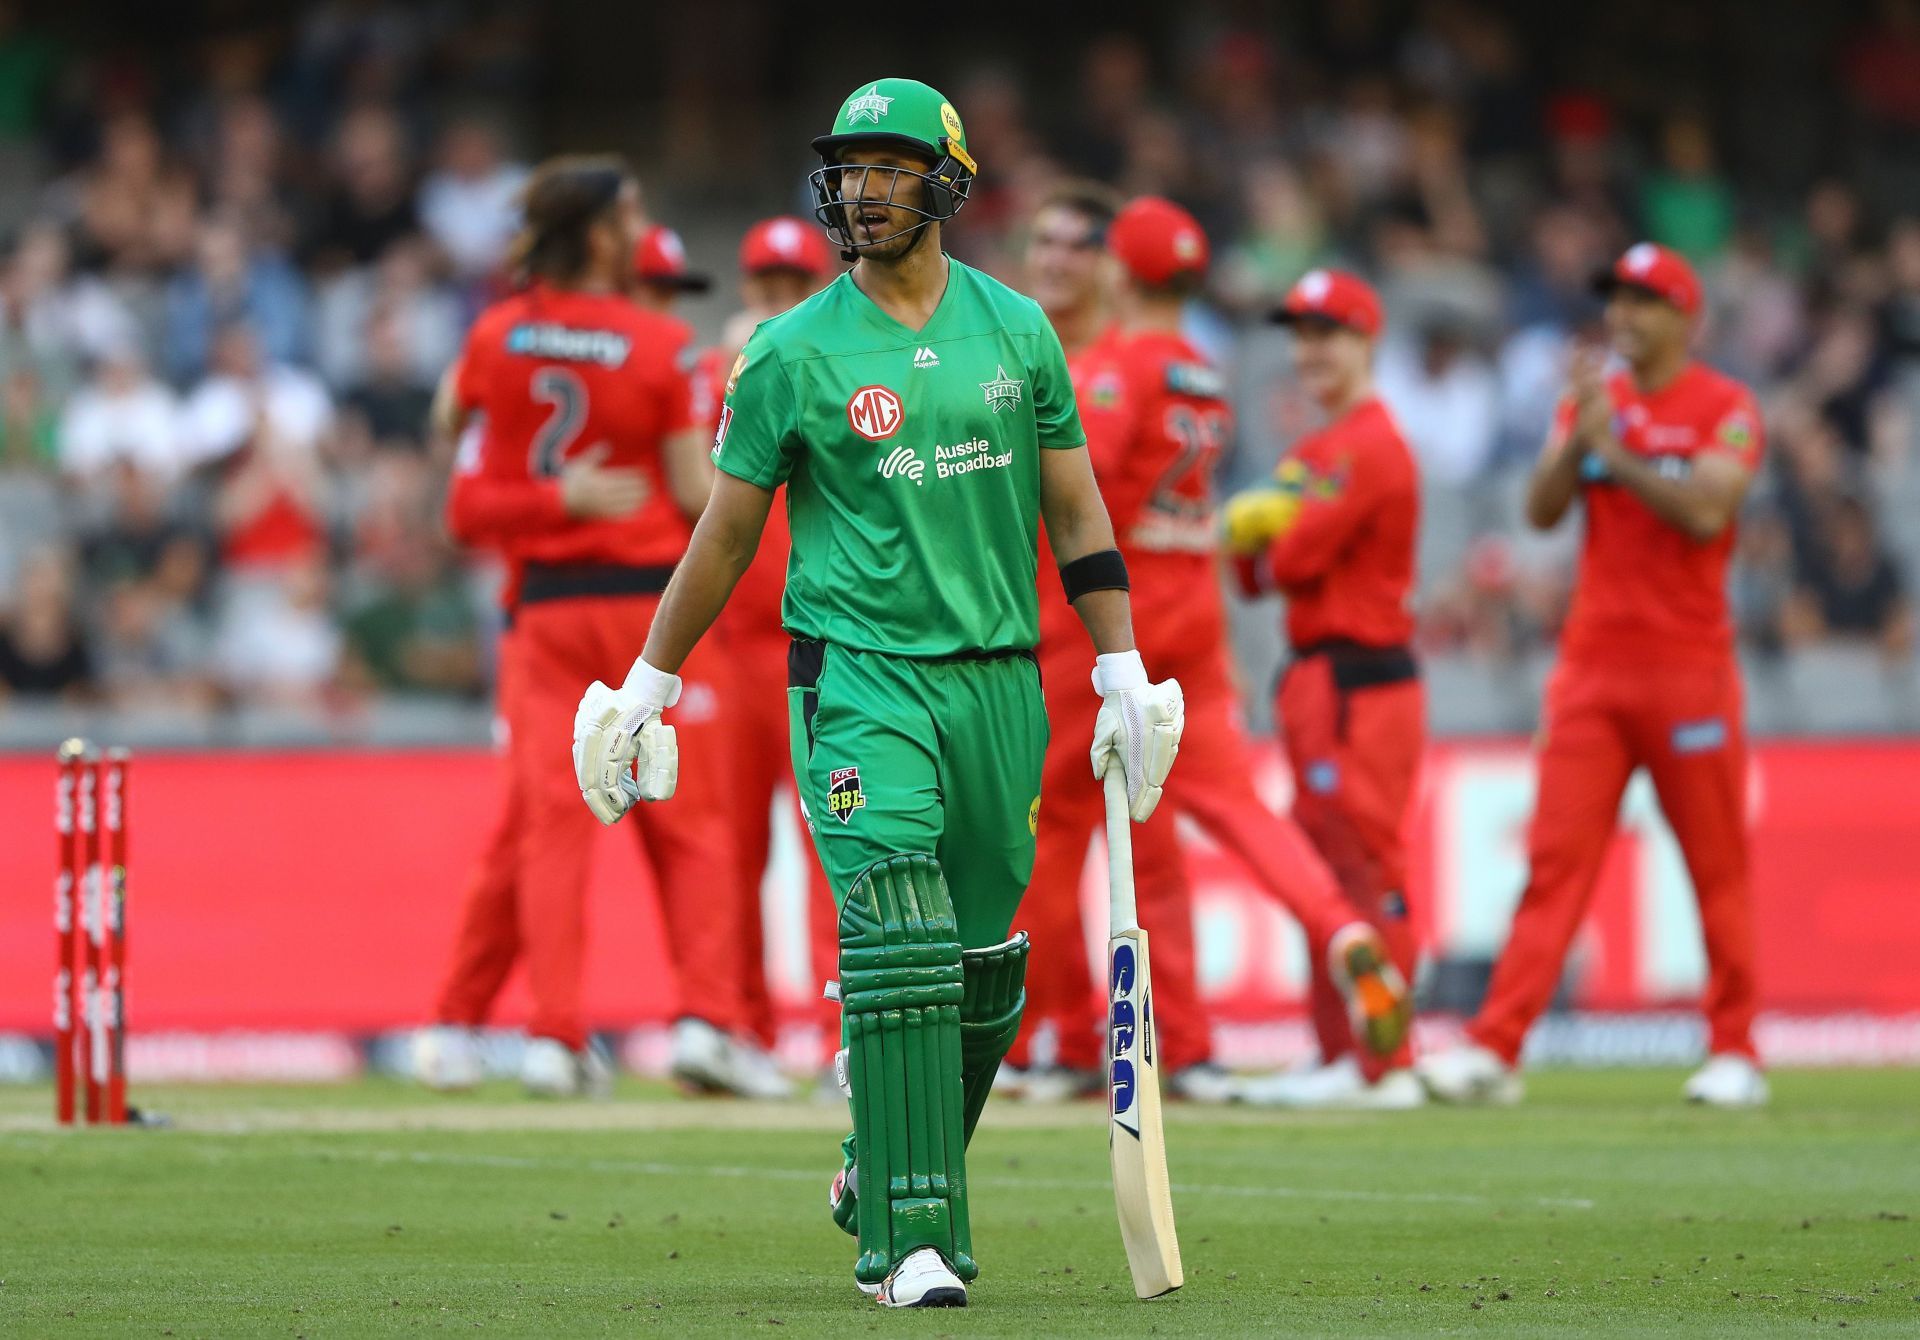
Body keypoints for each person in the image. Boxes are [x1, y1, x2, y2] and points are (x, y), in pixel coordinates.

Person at [571, 79, 1189, 1309]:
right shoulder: (790, 352)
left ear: (946, 181)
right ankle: (912, 1243)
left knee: (983, 962)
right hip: (857, 677)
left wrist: (1122, 665)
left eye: (890, 166)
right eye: (849, 168)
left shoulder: (1019, 330)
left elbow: (1076, 510)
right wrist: (647, 682)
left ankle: (883, 1160)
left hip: (1002, 680)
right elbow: (725, 535)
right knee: (898, 928)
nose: (861, 188)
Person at [1024, 203, 1414, 1106]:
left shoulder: (1120, 367)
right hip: (1193, 616)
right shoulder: (1206, 373)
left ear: (1118, 272)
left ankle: (1083, 1037)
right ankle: (1321, 942)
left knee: (1043, 835)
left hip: (1108, 628)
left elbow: (1078, 485)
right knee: (1225, 816)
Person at [430, 155, 782, 1099]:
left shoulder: (495, 338)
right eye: (631, 216)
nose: (640, 228)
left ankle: (551, 1037)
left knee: (554, 824)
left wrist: (551, 496)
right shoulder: (662, 347)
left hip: (543, 610)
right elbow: (694, 495)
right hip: (646, 608)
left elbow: (462, 506)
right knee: (697, 826)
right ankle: (707, 1023)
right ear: (600, 236)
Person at [1417, 243, 1769, 1108]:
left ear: (1685, 316)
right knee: (1553, 866)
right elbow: (1541, 511)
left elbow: (1708, 510)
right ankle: (1497, 1048)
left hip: (1688, 672)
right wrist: (1581, 438)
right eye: (1616, 299)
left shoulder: (1725, 405)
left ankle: (1735, 1051)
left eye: (1645, 301)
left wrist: (1621, 448)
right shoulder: (1592, 403)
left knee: (1713, 867)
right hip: (1592, 673)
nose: (1625, 315)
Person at [1223, 269, 1427, 1110]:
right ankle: (1339, 1052)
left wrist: (1266, 526)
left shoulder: (1369, 445)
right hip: (1316, 681)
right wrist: (1262, 531)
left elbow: (1292, 559)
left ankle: (1388, 1061)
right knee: (1322, 865)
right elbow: (1253, 576)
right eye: (1301, 335)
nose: (1310, 351)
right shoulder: (1315, 451)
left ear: (1365, 341)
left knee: (1365, 861)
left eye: (1327, 334)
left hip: (1360, 685)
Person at [690, 217, 841, 1058]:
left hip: (817, 634)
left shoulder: (830, 360)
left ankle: (833, 1033)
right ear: (749, 288)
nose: (778, 298)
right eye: (767, 284)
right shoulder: (724, 370)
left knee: (832, 840)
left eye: (793, 284)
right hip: (737, 643)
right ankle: (741, 1028)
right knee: (734, 847)